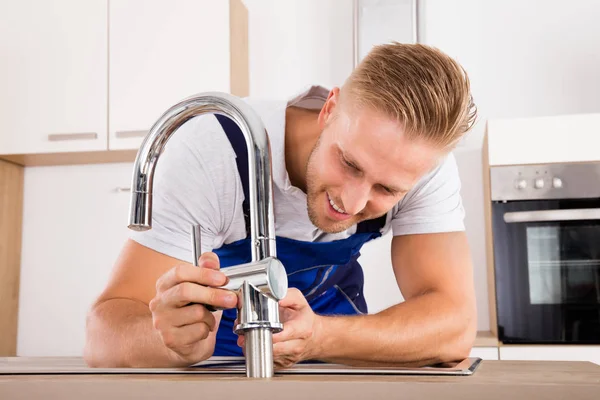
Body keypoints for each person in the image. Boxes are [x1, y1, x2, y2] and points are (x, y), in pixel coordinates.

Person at [84, 42, 478, 369]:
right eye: (349, 164)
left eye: (387, 190)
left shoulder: (422, 164)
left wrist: (321, 337)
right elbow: (102, 334)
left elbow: (455, 326)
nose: (353, 202)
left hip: (336, 367)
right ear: (329, 109)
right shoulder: (214, 150)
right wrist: (168, 340)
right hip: (213, 373)